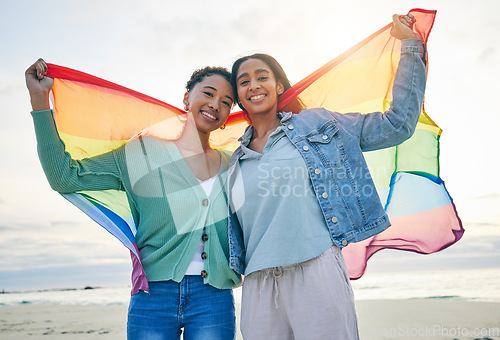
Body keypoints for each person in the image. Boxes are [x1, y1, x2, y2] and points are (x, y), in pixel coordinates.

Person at [226, 14, 426, 339]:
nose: (253, 85)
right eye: (244, 81)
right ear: (238, 95)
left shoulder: (318, 125)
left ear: (278, 86)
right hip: (258, 282)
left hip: (315, 269)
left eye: (262, 76)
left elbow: (397, 124)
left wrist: (409, 45)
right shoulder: (234, 161)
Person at [25, 59, 241, 340]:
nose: (216, 104)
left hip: (214, 297)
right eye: (209, 93)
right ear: (187, 98)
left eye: (226, 102)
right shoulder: (142, 152)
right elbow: (64, 177)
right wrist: (39, 98)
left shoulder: (233, 164)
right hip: (153, 295)